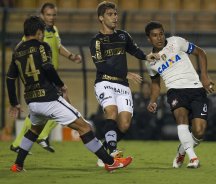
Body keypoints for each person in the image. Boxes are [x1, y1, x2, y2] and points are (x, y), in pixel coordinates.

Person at [7, 16, 132, 172]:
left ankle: (17, 164)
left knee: (34, 130)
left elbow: (10, 78)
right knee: (85, 127)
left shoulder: (17, 51)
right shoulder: (42, 46)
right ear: (39, 32)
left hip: (32, 101)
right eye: (43, 32)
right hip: (49, 99)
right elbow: (47, 67)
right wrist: (61, 85)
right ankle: (110, 162)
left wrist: (14, 102)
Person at [89, 1, 157, 166]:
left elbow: (134, 50)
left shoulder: (123, 35)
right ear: (101, 18)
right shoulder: (96, 41)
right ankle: (112, 154)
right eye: (110, 14)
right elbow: (101, 65)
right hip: (104, 82)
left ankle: (103, 155)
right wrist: (125, 73)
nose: (114, 17)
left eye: (115, 14)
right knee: (111, 112)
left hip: (122, 86)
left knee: (125, 125)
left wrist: (146, 56)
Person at [10, 2, 82, 154]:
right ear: (42, 15)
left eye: (54, 14)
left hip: (51, 74)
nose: (51, 18)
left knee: (37, 114)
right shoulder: (34, 34)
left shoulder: (54, 30)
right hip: (42, 76)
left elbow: (58, 46)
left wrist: (71, 56)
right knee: (63, 106)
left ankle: (19, 143)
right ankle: (41, 136)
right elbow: (23, 48)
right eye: (48, 15)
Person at [145, 21, 214, 168]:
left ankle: (182, 150)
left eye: (161, 34)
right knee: (181, 118)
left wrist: (205, 77)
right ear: (148, 39)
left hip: (196, 89)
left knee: (199, 132)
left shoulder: (176, 42)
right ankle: (193, 158)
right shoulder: (150, 61)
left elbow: (201, 53)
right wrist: (153, 101)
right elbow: (156, 84)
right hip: (175, 91)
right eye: (155, 35)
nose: (159, 38)